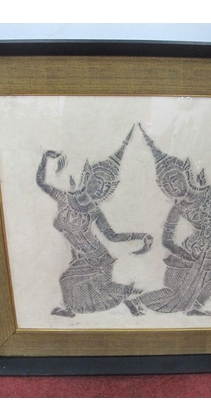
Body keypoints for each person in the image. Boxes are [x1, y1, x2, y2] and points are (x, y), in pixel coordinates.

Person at [124, 127, 211, 317]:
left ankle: (195, 307)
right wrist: (186, 256)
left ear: (185, 173)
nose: (172, 186)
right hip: (191, 253)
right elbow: (167, 240)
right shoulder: (178, 209)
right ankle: (136, 301)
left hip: (205, 251)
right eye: (166, 184)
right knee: (175, 294)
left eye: (174, 179)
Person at [36, 127, 153, 317]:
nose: (100, 187)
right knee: (81, 286)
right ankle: (129, 297)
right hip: (85, 257)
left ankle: (132, 294)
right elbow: (41, 183)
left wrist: (141, 235)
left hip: (98, 257)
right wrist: (45, 158)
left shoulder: (94, 211)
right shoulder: (64, 198)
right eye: (99, 180)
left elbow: (112, 235)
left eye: (106, 186)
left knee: (76, 283)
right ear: (88, 176)